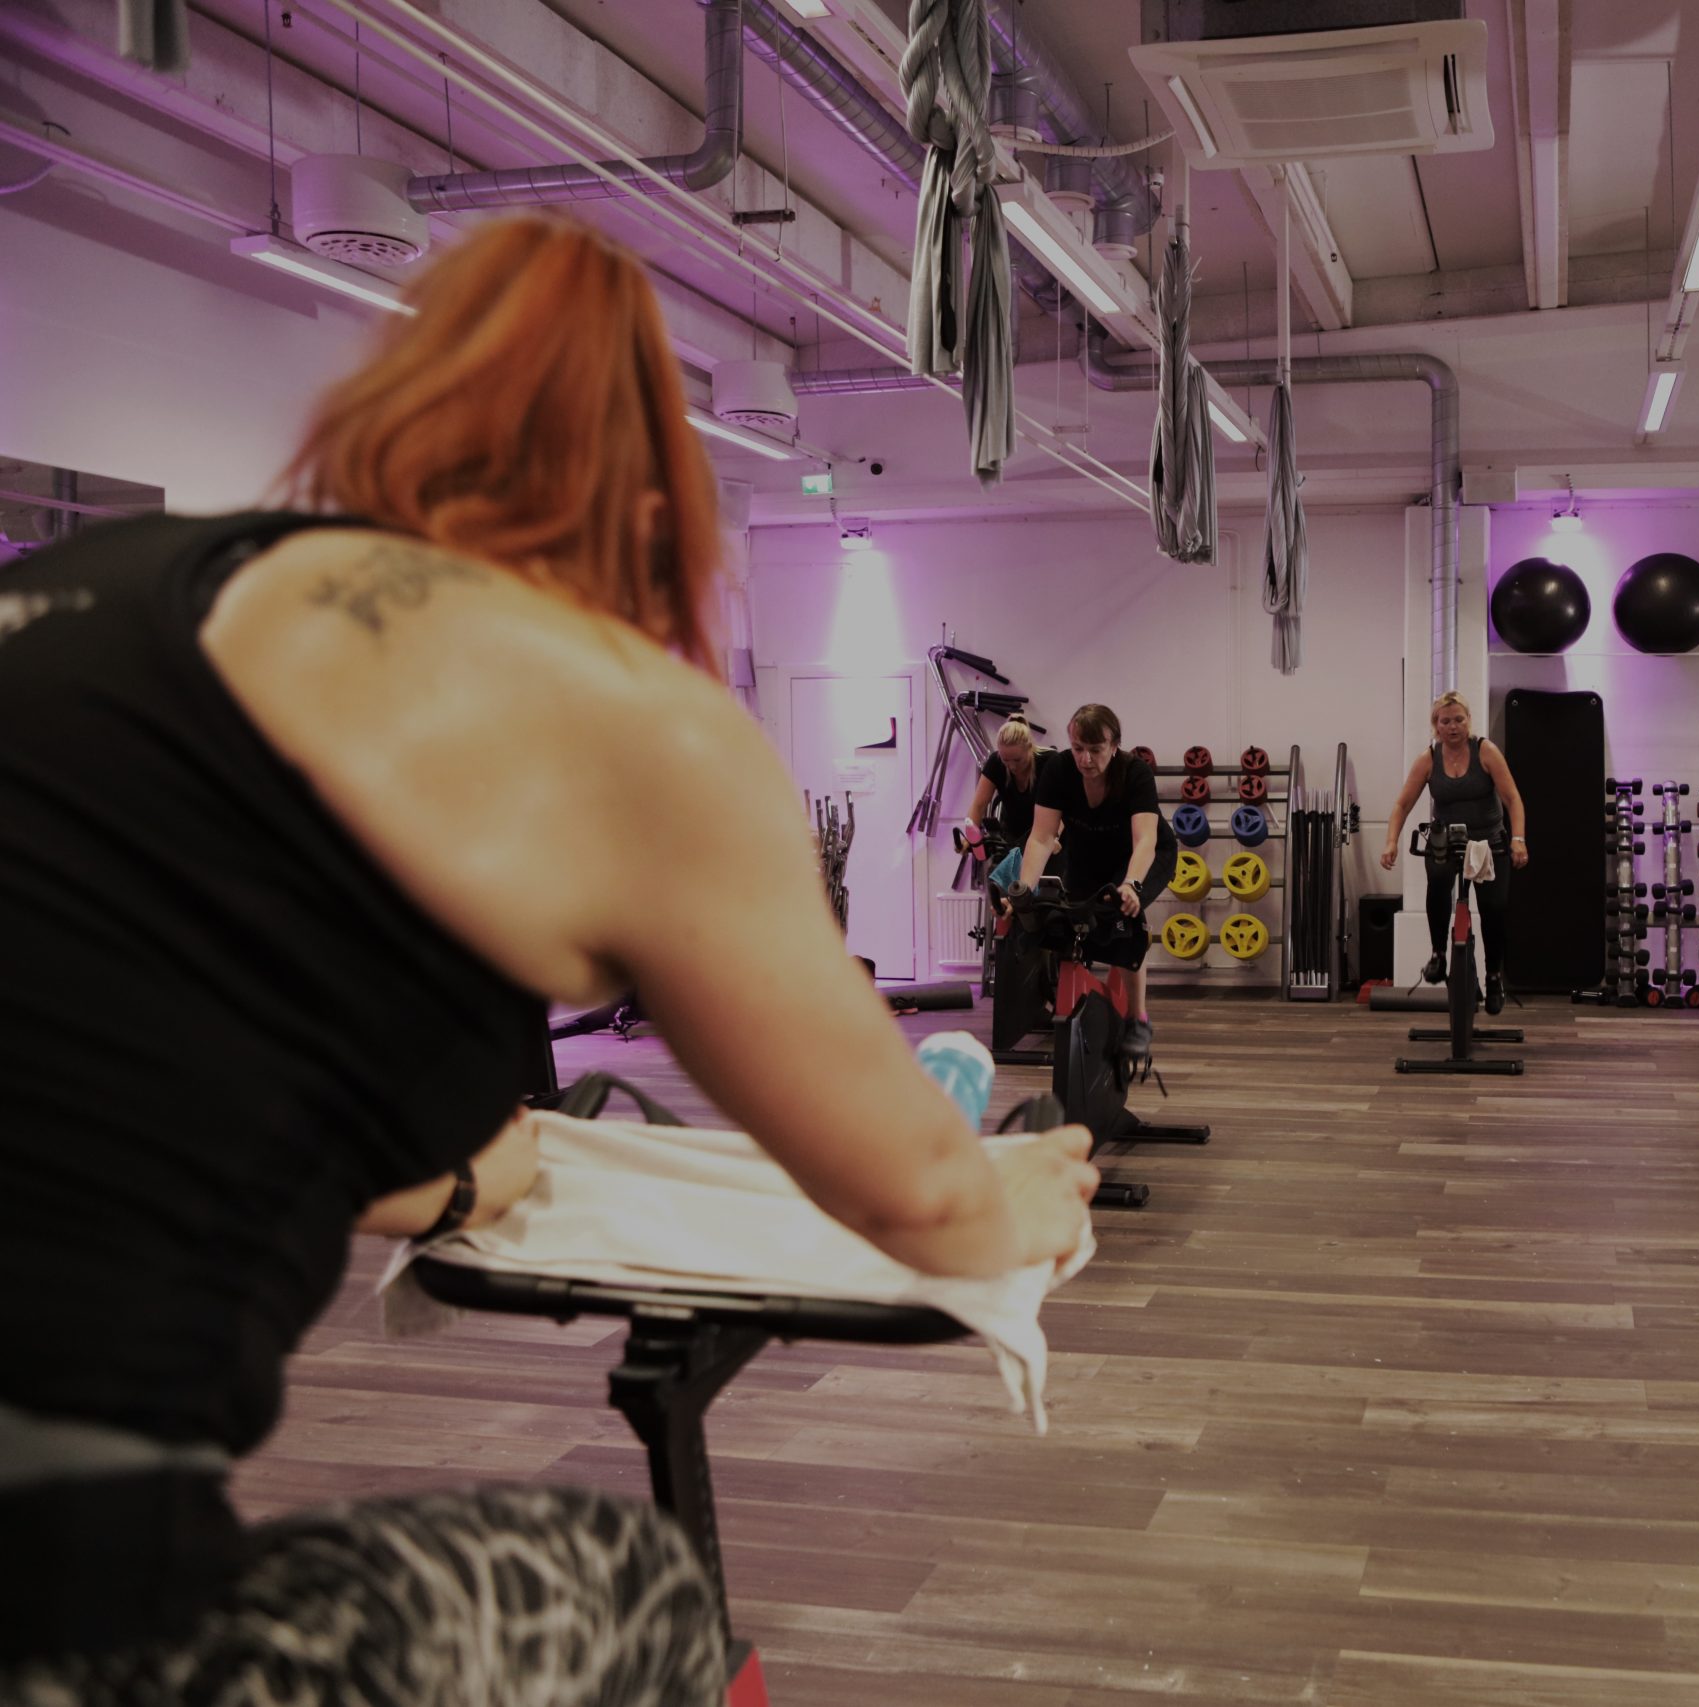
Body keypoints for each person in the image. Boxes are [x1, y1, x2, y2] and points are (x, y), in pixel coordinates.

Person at [0, 216, 1098, 1703]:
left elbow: (155, 1104)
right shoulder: (615, 710)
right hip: (65, 1631)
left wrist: (462, 1180)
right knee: (631, 1592)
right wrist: (1013, 1196)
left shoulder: (98, 593)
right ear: (649, 504)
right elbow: (918, 1193)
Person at [1012, 703, 1176, 1069]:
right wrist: (1024, 890)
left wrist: (1131, 885)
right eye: (1078, 748)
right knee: (1070, 921)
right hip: (1089, 852)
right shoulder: (1058, 770)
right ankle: (1086, 1006)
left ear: (1114, 745)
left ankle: (1137, 1021)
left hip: (1144, 854)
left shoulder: (1134, 773)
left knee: (1124, 917)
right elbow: (1041, 837)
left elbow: (1145, 840)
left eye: (1096, 750)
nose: (1086, 759)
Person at [1379, 691, 1530, 1015]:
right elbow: (1402, 804)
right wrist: (1391, 842)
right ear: (1436, 725)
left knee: (1494, 908)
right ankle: (1438, 955)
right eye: (1445, 721)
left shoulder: (1485, 751)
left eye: (1459, 720)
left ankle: (1493, 977)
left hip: (1488, 842)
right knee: (1438, 882)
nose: (1453, 727)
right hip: (1445, 840)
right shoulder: (1429, 759)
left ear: (1468, 721)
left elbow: (1513, 798)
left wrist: (1518, 839)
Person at [965, 716, 1044, 889]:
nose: (1012, 766)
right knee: (1004, 893)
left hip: (1043, 838)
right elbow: (978, 805)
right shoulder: (995, 762)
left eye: (1017, 760)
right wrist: (968, 838)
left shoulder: (1048, 762)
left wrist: (1055, 838)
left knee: (1035, 894)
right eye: (1006, 760)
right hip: (1012, 838)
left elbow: (1062, 808)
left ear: (1029, 748)